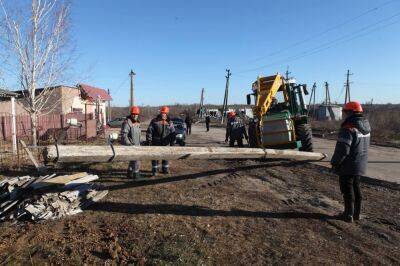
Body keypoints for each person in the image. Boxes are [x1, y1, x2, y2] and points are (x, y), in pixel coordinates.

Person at [331, 101, 371, 223]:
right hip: (360, 164)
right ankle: (356, 214)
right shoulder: (366, 127)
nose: (343, 114)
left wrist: (335, 163)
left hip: (348, 165)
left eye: (345, 112)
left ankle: (348, 215)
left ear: (349, 112)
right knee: (356, 188)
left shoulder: (348, 128)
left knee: (347, 190)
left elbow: (343, 150)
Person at [147, 106, 176, 176]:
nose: (163, 114)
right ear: (160, 113)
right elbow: (149, 132)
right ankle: (155, 170)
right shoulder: (154, 121)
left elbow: (173, 132)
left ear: (167, 114)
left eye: (165, 113)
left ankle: (165, 169)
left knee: (166, 157)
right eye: (162, 113)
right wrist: (149, 141)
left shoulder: (169, 122)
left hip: (166, 143)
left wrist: (173, 142)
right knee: (155, 157)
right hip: (156, 142)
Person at [120, 106, 142, 179]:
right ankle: (136, 176)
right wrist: (129, 144)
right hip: (131, 145)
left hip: (137, 145)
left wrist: (141, 143)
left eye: (136, 114)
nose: (134, 115)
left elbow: (138, 135)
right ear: (131, 114)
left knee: (133, 161)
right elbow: (124, 135)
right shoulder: (127, 123)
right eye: (133, 114)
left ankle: (129, 174)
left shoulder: (138, 123)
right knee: (136, 161)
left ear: (138, 114)